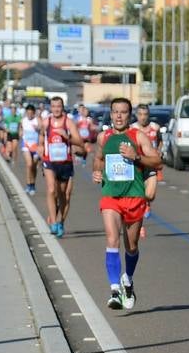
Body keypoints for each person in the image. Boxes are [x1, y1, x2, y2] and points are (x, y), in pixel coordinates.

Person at [91, 97, 163, 312]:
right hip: (111, 196)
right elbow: (98, 159)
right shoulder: (104, 137)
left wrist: (136, 157)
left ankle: (128, 280)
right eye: (115, 112)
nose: (119, 116)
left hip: (134, 196)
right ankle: (114, 290)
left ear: (129, 115)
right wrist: (97, 171)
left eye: (123, 112)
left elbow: (157, 161)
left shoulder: (137, 136)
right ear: (111, 114)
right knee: (112, 238)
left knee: (131, 246)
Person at [40, 96, 84, 238]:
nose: (56, 109)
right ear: (50, 108)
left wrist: (67, 137)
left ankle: (60, 221)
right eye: (53, 107)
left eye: (58, 106)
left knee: (63, 195)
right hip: (50, 161)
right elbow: (41, 138)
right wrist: (40, 148)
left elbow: (79, 141)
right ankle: (53, 222)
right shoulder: (46, 122)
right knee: (52, 189)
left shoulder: (68, 122)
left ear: (62, 107)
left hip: (65, 162)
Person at [130, 103, 163, 238]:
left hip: (151, 165)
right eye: (140, 114)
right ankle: (140, 225)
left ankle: (147, 203)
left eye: (145, 114)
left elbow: (160, 141)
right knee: (138, 195)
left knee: (150, 195)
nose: (143, 117)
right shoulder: (132, 129)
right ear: (137, 115)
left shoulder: (155, 128)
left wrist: (159, 153)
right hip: (137, 166)